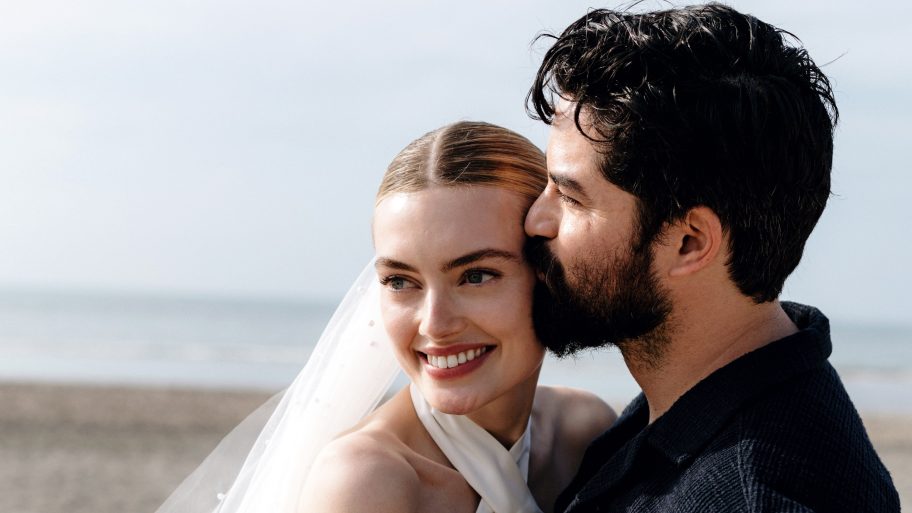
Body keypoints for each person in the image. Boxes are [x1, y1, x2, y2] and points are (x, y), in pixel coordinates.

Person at [523, 4, 900, 512]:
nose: (534, 220)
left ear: (689, 243)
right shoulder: (690, 406)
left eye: (570, 197)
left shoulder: (753, 496)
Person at [155, 121, 615, 513]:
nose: (434, 324)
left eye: (475, 276)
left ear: (550, 271)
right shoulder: (366, 482)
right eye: (400, 281)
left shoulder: (584, 430)